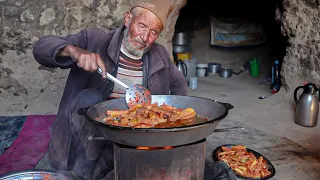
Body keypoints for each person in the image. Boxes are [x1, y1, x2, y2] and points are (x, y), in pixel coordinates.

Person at [32, 0, 187, 179]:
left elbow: (179, 84)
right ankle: (85, 165)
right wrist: (74, 51)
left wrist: (177, 120)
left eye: (153, 32)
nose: (145, 38)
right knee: (91, 98)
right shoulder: (94, 40)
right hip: (87, 137)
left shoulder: (160, 54)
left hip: (131, 135)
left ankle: (114, 164)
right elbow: (41, 48)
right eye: (142, 26)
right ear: (128, 19)